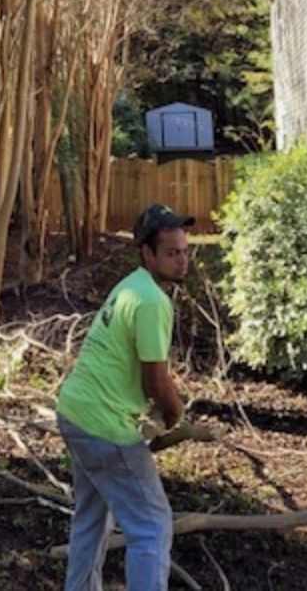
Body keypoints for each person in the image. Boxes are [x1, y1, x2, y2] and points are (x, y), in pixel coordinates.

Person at [56, 203, 193, 591]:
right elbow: (156, 380)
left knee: (91, 517)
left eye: (184, 251)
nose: (182, 260)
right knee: (151, 525)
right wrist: (175, 412)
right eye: (171, 252)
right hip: (105, 428)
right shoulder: (151, 301)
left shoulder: (132, 285)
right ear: (147, 254)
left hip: (74, 413)